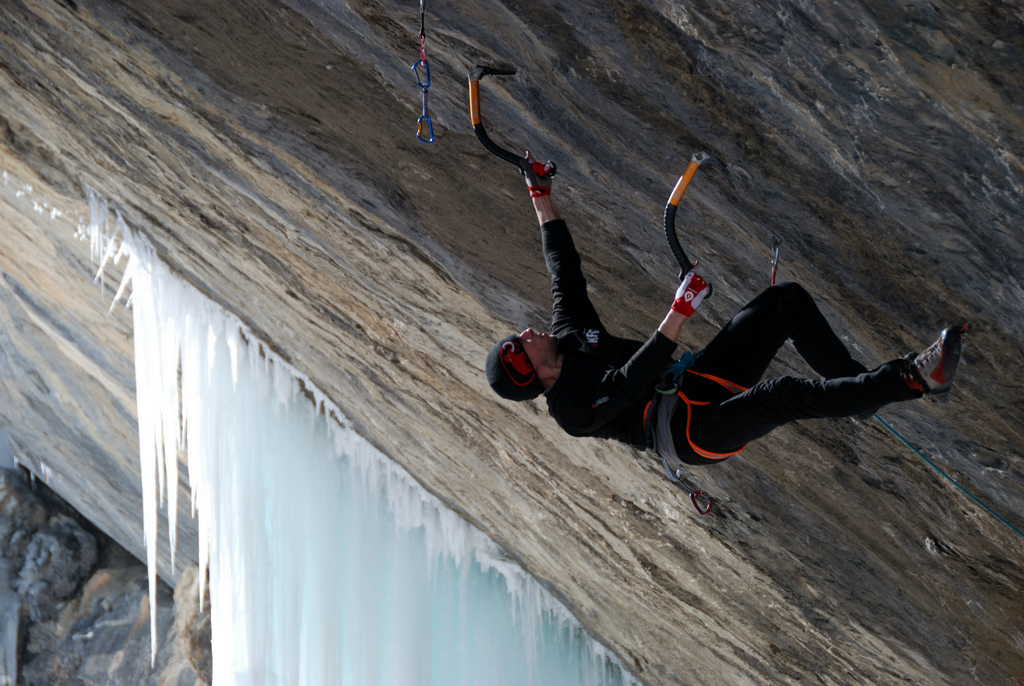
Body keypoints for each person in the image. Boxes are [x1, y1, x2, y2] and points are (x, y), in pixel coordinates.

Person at [484, 157, 967, 475]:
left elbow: (563, 269)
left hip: (693, 381)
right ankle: (914, 378)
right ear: (530, 370)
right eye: (519, 343)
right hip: (691, 432)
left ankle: (859, 394)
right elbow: (630, 384)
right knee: (782, 395)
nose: (526, 331)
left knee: (785, 302)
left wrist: (540, 195)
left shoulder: (567, 336)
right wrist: (677, 313)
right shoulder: (570, 412)